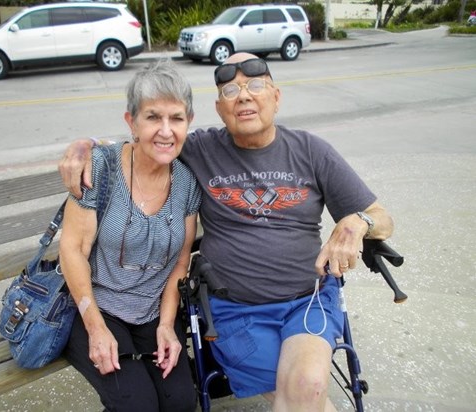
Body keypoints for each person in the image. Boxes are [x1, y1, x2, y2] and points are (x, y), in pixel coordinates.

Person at [59, 53, 394, 412]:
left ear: (276, 96)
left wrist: (358, 222)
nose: (245, 96)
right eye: (231, 90)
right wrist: (87, 144)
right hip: (235, 310)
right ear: (220, 109)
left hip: (305, 299)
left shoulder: (312, 151)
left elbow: (381, 217)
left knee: (307, 386)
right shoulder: (201, 148)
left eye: (255, 85)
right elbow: (149, 137)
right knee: (297, 394)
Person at [58, 60, 200, 412]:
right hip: (95, 306)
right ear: (131, 122)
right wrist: (94, 327)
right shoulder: (100, 168)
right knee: (137, 404)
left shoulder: (186, 182)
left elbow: (181, 262)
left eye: (176, 118)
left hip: (153, 309)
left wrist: (168, 325)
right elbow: (73, 250)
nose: (165, 131)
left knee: (181, 402)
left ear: (188, 123)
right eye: (152, 117)